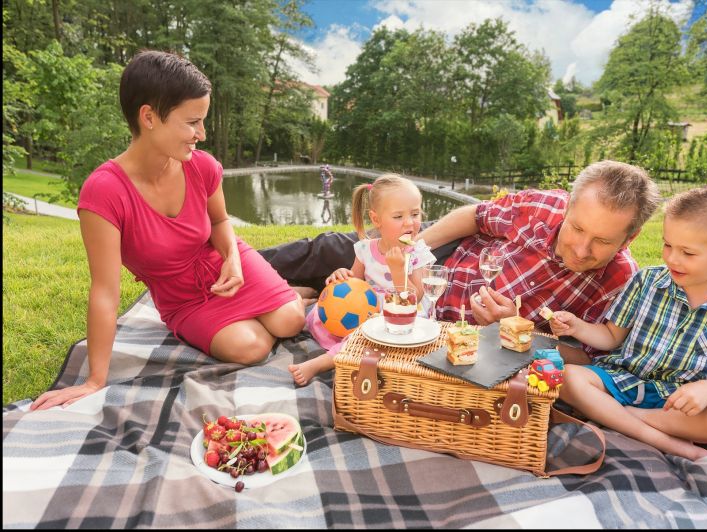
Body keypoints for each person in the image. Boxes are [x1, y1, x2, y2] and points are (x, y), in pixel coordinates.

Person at [30, 50, 306, 411]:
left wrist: (232, 259)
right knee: (251, 347)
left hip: (224, 265)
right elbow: (105, 291)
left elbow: (221, 222)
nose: (201, 134)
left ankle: (289, 298)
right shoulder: (104, 192)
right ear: (149, 117)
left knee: (291, 320)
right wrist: (95, 379)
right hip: (182, 299)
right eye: (192, 122)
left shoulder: (203, 167)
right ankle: (276, 299)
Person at [550, 185, 707, 461]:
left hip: (677, 403)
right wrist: (577, 327)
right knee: (569, 376)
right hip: (621, 381)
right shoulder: (646, 281)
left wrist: (706, 389)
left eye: (688, 253)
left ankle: (623, 418)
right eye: (667, 245)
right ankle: (667, 442)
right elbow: (611, 336)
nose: (672, 258)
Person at [416, 160, 662, 364]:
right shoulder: (542, 206)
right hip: (426, 298)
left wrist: (516, 329)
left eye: (602, 241)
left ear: (630, 238)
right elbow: (476, 216)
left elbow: (587, 360)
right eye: (577, 228)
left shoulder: (620, 281)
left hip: (481, 359)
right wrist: (412, 249)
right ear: (567, 209)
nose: (581, 249)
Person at [288, 174, 436, 386]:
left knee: (363, 338)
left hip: (401, 317)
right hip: (367, 308)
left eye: (415, 214)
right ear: (376, 220)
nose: (410, 223)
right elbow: (353, 283)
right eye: (398, 217)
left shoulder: (418, 253)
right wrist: (340, 274)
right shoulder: (366, 249)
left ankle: (320, 363)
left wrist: (397, 270)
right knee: (321, 314)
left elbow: (415, 298)